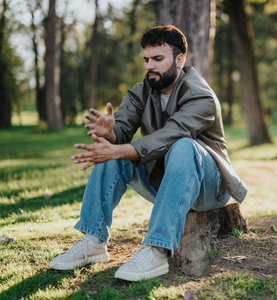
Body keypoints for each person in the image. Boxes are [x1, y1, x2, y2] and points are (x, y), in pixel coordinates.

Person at [49, 25, 247, 282]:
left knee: (183, 145)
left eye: (157, 59)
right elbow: (121, 131)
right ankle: (93, 239)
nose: (149, 66)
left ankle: (157, 248)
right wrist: (109, 133)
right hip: (166, 179)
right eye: (146, 59)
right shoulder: (142, 90)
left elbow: (172, 135)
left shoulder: (201, 96)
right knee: (112, 153)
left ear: (179, 59)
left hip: (210, 187)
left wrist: (118, 147)